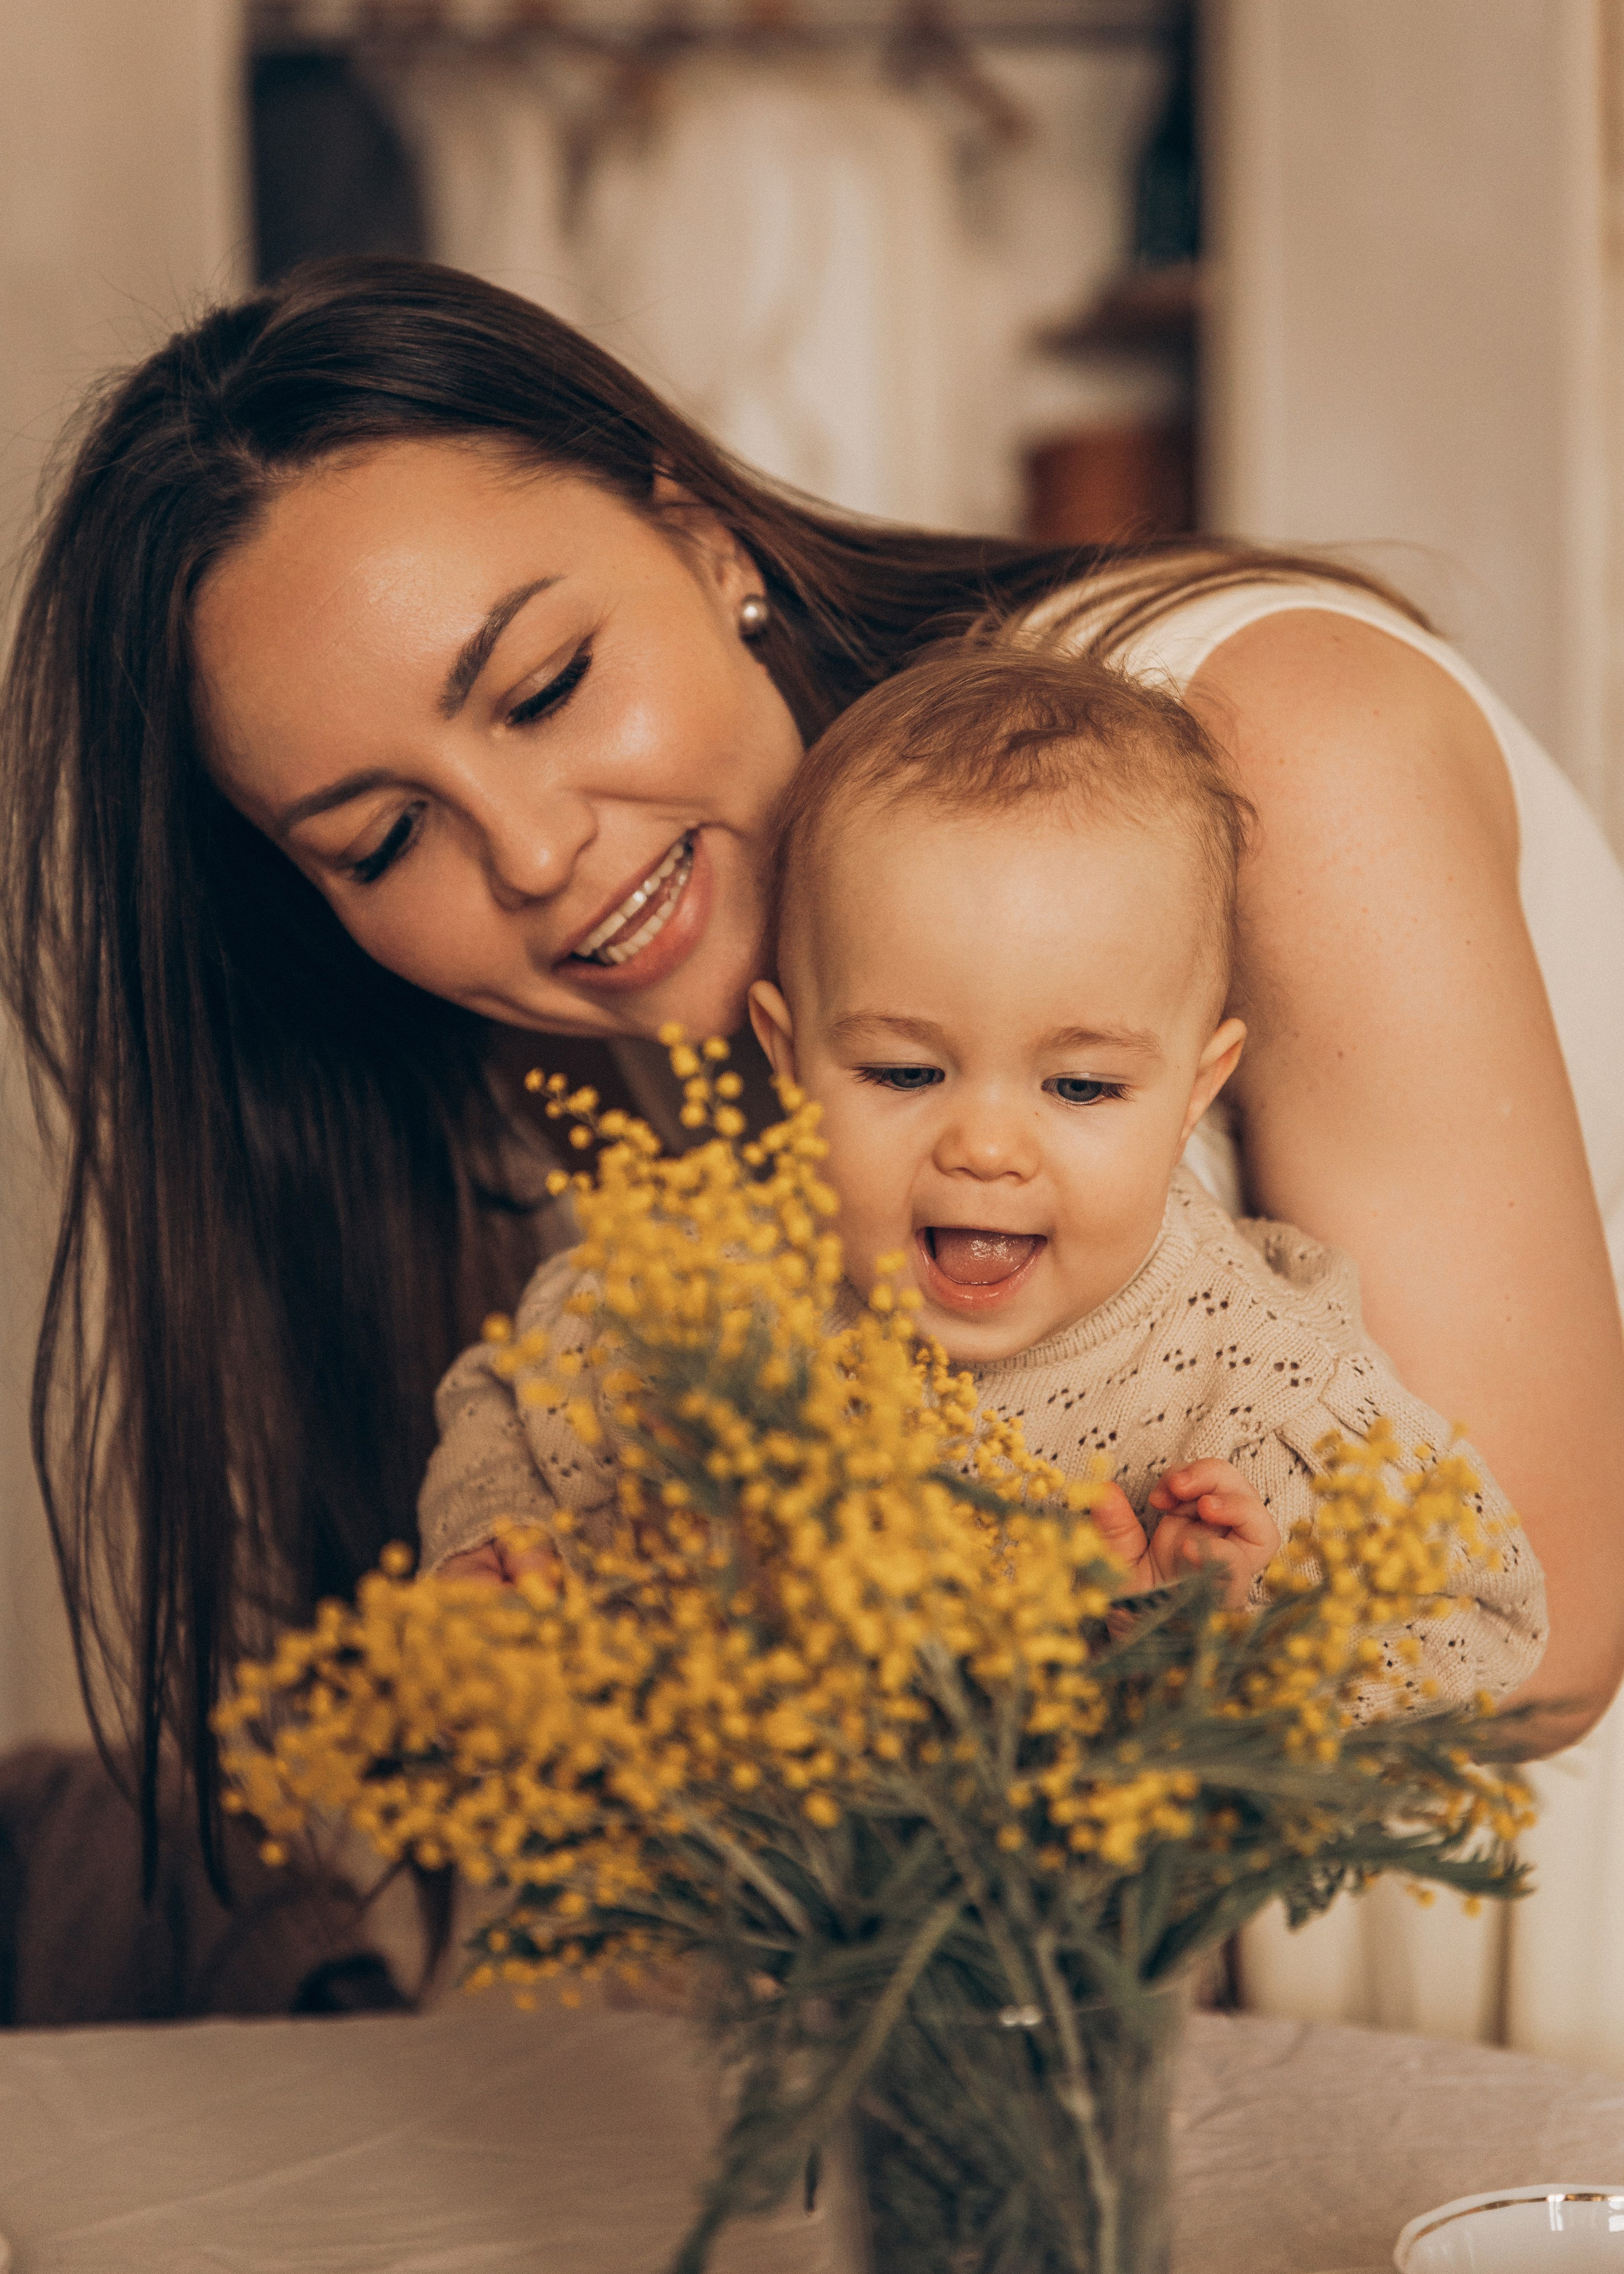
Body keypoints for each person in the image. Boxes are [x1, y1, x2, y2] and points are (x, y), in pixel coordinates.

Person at [0, 258, 1617, 1873]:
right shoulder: (637, 1052)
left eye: (549, 687)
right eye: (384, 836)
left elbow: (1541, 1642)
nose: (536, 852)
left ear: (699, 536)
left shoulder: (1259, 750)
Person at [420, 641, 1546, 1713]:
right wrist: (490, 1554)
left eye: (1084, 1089)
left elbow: (1490, 1620)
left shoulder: (1254, 1375)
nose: (988, 1149)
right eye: (907, 1071)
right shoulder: (701, 1292)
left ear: (1196, 1091)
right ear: (788, 1054)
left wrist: (1214, 1653)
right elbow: (506, 1400)